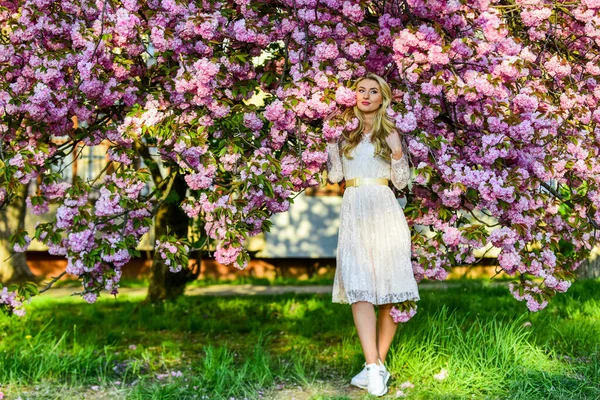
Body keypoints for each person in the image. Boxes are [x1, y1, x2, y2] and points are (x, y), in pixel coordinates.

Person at [325, 73, 420, 396]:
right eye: (360, 90)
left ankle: (375, 366)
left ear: (383, 98)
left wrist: (396, 153)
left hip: (384, 209)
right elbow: (336, 176)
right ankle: (374, 365)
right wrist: (330, 145)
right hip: (354, 211)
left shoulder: (390, 132)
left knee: (389, 290)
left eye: (373, 91)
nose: (366, 96)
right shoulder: (346, 135)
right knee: (360, 288)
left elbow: (403, 182)